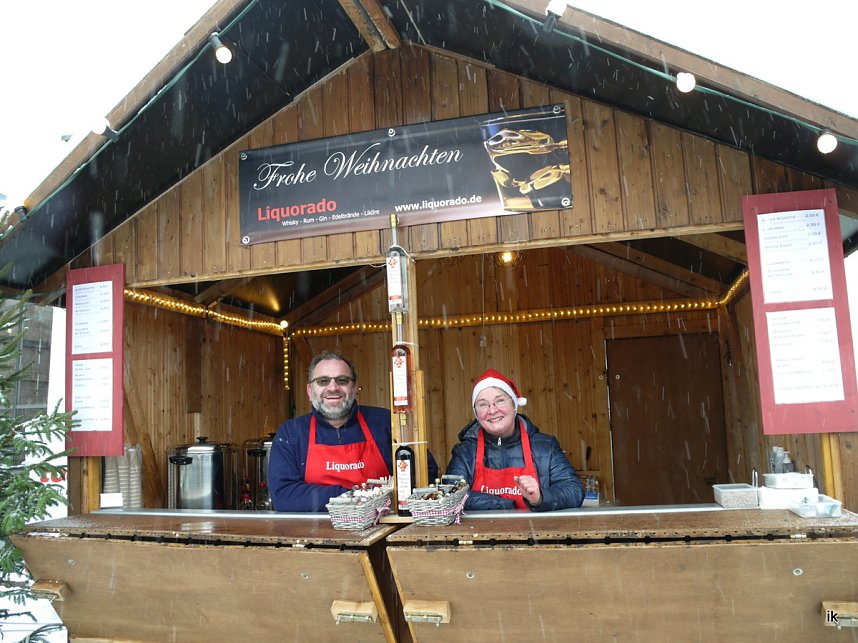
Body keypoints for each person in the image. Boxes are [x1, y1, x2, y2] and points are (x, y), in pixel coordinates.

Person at [269, 350, 437, 512]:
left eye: (342, 380)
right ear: (309, 391)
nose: (333, 387)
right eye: (323, 381)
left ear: (354, 388)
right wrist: (355, 496)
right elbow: (284, 496)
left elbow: (424, 473)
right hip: (315, 535)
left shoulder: (385, 422)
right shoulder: (292, 433)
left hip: (381, 531)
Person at [446, 368, 584, 511]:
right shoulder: (465, 452)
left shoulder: (546, 447)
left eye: (499, 401)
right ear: (476, 413)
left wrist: (540, 497)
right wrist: (505, 504)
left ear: (514, 405)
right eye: (483, 404)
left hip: (536, 532)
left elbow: (574, 491)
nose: (492, 410)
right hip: (482, 533)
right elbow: (452, 496)